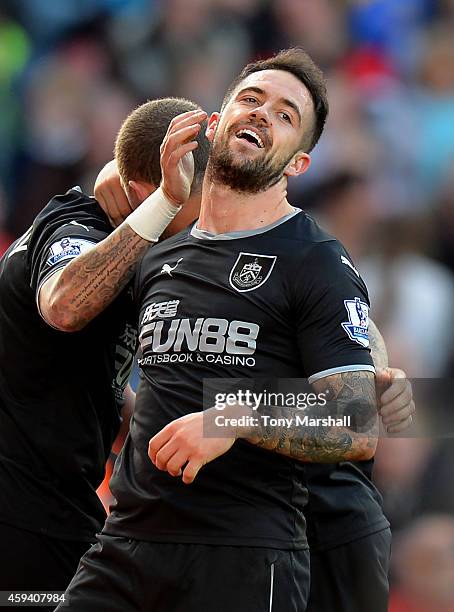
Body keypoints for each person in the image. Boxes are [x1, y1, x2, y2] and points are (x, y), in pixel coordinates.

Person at [57, 48, 413, 612]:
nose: (263, 113)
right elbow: (66, 311)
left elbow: (354, 420)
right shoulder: (159, 254)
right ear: (216, 121)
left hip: (245, 555)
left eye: (285, 115)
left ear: (298, 164)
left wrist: (233, 417)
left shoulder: (315, 258)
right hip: (125, 544)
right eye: (251, 99)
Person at [0, 97, 210, 603]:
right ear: (148, 192)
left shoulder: (141, 256)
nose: (199, 234)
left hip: (64, 511)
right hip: (20, 517)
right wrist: (162, 206)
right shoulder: (75, 226)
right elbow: (65, 306)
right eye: (189, 214)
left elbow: (99, 388)